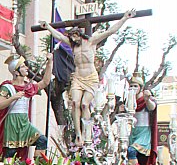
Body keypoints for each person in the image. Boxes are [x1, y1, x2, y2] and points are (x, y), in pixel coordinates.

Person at [40, 10, 135, 146]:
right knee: (75, 103)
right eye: (71, 37)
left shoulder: (91, 41)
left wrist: (124, 18)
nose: (73, 39)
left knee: (85, 104)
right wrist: (48, 27)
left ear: (79, 34)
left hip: (90, 77)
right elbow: (59, 37)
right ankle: (78, 133)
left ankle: (86, 133)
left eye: (74, 36)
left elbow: (110, 32)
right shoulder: (72, 45)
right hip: (78, 77)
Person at [0, 53, 52, 161]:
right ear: (16, 71)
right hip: (12, 123)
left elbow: (45, 82)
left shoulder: (28, 86)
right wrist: (13, 98)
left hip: (24, 123)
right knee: (11, 152)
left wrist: (49, 63)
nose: (27, 68)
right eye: (23, 66)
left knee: (42, 140)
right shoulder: (7, 87)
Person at [126, 74, 157, 165]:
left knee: (131, 150)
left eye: (135, 86)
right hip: (132, 131)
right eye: (131, 86)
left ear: (141, 87)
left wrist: (147, 100)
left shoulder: (145, 99)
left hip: (143, 132)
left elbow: (152, 107)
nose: (133, 88)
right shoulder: (128, 101)